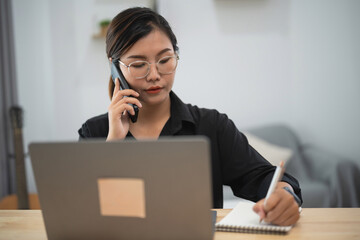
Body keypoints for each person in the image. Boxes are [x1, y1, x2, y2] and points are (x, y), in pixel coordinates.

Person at [78, 7, 302, 226]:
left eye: (165, 60)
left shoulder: (212, 126)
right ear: (114, 67)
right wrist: (113, 144)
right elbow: (80, 209)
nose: (155, 75)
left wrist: (285, 194)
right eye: (138, 65)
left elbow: (263, 177)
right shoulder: (94, 133)